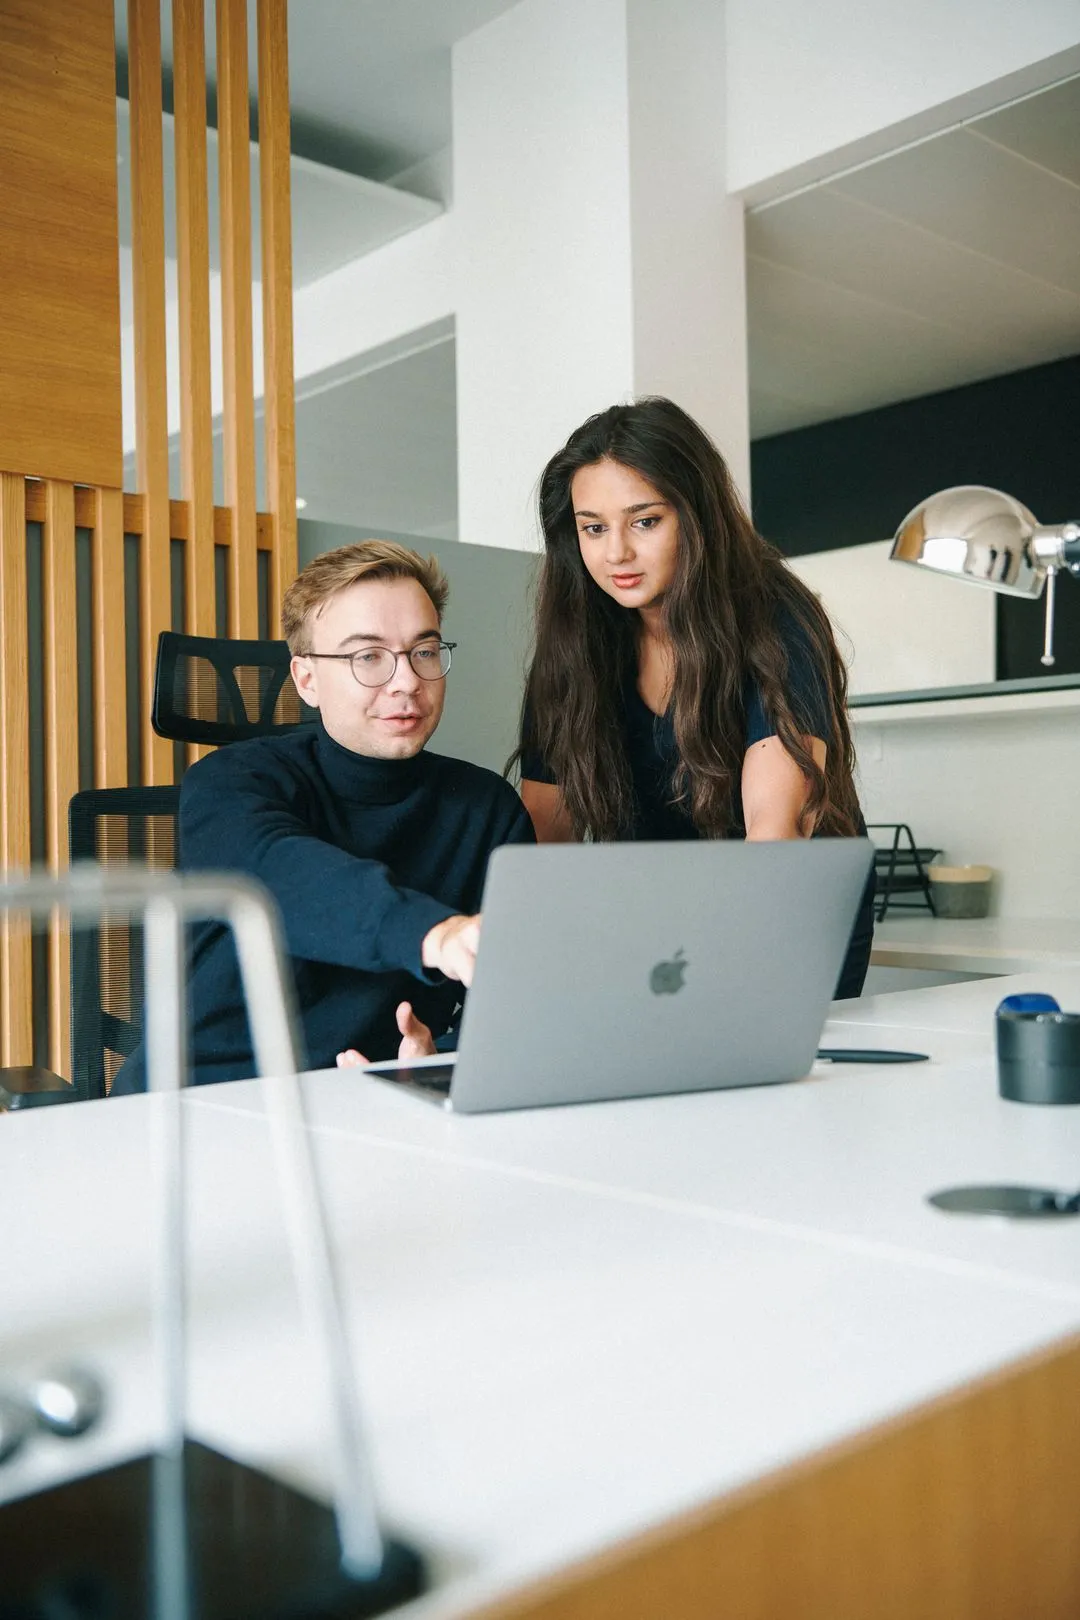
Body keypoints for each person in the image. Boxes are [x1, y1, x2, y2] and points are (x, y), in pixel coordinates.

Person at [114, 541, 533, 1091]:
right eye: (368, 657)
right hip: (204, 1110)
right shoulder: (228, 784)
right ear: (306, 679)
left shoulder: (487, 810)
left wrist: (440, 1063)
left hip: (375, 1113)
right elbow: (282, 876)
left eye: (424, 651)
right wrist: (433, 933)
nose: (406, 680)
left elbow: (509, 1007)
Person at [516, 397, 875, 999]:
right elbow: (545, 838)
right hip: (657, 919)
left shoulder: (773, 615)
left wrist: (724, 970)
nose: (616, 554)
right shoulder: (573, 646)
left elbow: (774, 828)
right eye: (594, 527)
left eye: (645, 521)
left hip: (788, 905)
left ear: (696, 516)